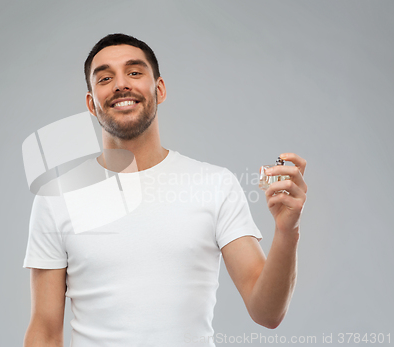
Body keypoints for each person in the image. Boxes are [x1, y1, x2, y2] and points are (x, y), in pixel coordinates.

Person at [23, 33, 308, 347]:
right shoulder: (57, 197)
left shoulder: (215, 184)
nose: (120, 84)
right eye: (105, 78)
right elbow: (45, 331)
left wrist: (286, 230)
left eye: (134, 72)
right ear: (91, 102)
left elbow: (266, 312)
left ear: (158, 89)